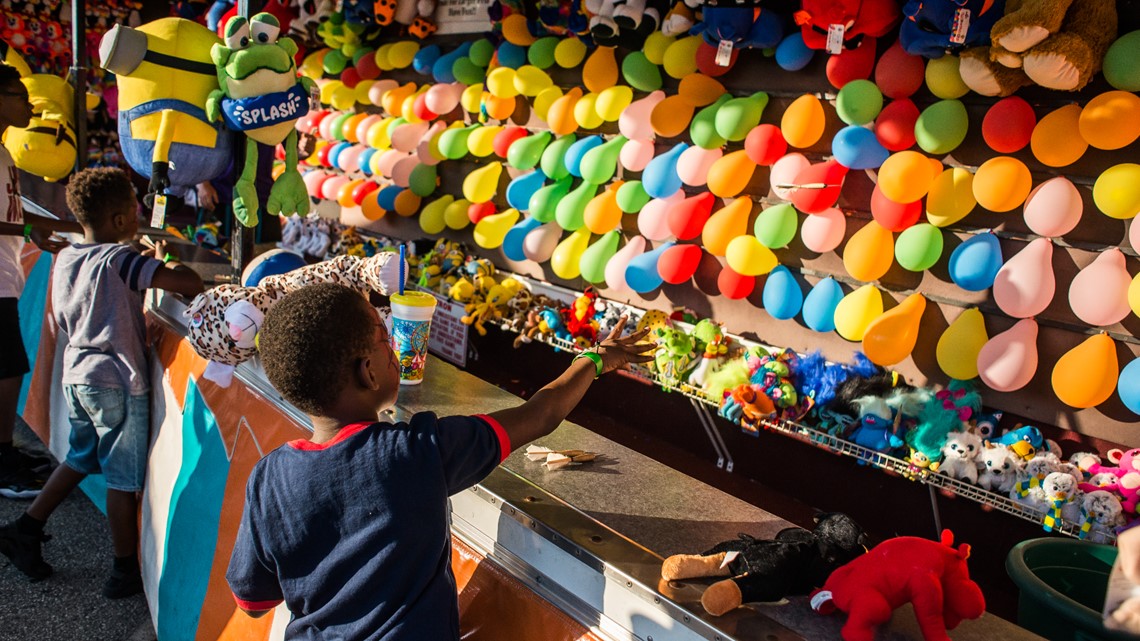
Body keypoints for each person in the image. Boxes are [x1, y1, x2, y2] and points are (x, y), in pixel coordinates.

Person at [225, 283, 653, 639]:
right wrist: (594, 359)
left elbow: (253, 599)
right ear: (368, 372)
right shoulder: (415, 454)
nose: (395, 344)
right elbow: (540, 415)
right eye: (383, 335)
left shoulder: (267, 479)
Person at [0, 168, 204, 597]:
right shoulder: (122, 260)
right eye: (133, 209)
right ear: (118, 220)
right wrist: (159, 257)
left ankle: (26, 527)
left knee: (80, 457)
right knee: (121, 480)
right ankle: (124, 569)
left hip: (78, 377)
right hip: (119, 382)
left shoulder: (71, 254)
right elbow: (189, 282)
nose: (138, 214)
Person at [0, 62, 83, 500]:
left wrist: (48, 224)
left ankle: (4, 450)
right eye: (19, 95)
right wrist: (27, 230)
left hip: (6, 276)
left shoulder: (5, 152)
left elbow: (9, 210)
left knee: (9, 367)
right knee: (7, 369)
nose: (29, 104)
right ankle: (1, 461)